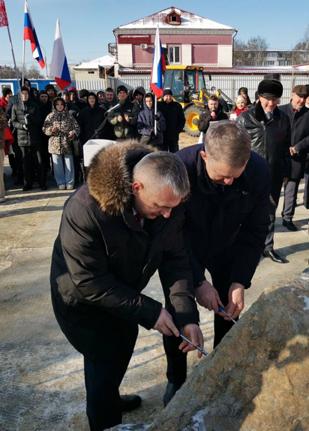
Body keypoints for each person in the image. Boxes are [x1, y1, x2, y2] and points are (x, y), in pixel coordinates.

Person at [50, 144, 203, 431]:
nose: (168, 214)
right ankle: (105, 419)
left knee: (123, 345)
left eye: (173, 207)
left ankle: (111, 395)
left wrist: (186, 316)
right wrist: (151, 311)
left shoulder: (167, 202)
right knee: (104, 361)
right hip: (81, 303)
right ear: (136, 188)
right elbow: (88, 282)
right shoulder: (85, 209)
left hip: (124, 294)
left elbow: (176, 260)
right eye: (160, 207)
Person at [167, 122, 272, 405]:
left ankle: (222, 372)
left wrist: (240, 279)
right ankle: (176, 380)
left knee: (230, 309)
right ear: (204, 156)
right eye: (222, 176)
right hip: (185, 247)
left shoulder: (259, 172)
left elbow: (256, 229)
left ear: (247, 160)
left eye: (235, 177)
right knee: (180, 311)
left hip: (229, 245)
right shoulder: (179, 168)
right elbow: (171, 234)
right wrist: (198, 281)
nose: (229, 183)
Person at [237, 79, 291, 264]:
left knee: (269, 212)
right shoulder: (245, 118)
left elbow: (285, 147)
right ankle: (243, 247)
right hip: (249, 174)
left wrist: (286, 171)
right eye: (267, 99)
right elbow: (236, 148)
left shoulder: (283, 118)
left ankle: (267, 248)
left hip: (273, 174)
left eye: (275, 100)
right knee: (245, 211)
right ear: (259, 97)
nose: (271, 103)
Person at [278, 85, 309, 231]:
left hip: (296, 157)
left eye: (304, 97)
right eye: (299, 96)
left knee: (292, 189)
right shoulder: (280, 110)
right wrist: (284, 147)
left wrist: (297, 148)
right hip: (278, 156)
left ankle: (287, 217)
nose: (301, 100)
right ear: (292, 94)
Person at [10, 87, 46, 191]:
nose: (24, 95)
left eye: (26, 93)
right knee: (26, 163)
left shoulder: (34, 106)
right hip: (22, 139)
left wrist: (30, 117)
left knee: (39, 162)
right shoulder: (16, 107)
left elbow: (39, 121)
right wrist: (22, 126)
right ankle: (27, 183)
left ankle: (42, 183)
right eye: (22, 94)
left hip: (35, 138)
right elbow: (13, 122)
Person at [43, 97, 80, 190]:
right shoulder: (50, 116)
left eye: (61, 104)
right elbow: (44, 128)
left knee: (69, 164)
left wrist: (73, 133)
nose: (59, 106)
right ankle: (60, 182)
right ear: (55, 106)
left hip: (67, 142)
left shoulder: (69, 116)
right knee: (57, 165)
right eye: (57, 104)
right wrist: (51, 130)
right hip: (54, 143)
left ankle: (70, 182)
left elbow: (77, 128)